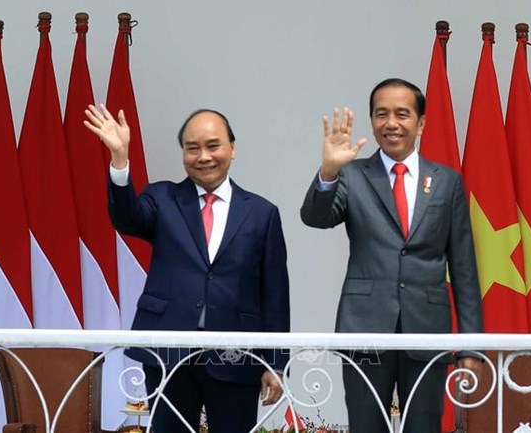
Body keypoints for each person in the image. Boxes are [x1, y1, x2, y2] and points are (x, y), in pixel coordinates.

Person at [84, 105, 290, 433]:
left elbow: (275, 294)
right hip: (169, 353)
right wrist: (120, 158)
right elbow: (127, 218)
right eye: (192, 148)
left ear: (232, 149)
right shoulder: (162, 197)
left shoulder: (262, 213)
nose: (203, 156)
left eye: (213, 145)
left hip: (236, 357)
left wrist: (276, 363)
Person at [300, 78, 483, 433]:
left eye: (402, 114)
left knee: (424, 427)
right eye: (381, 114)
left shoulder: (447, 182)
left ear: (421, 122)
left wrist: (471, 346)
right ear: (371, 120)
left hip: (427, 330)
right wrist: (329, 171)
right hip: (365, 327)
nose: (391, 123)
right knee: (366, 426)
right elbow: (316, 218)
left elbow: (463, 268)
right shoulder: (353, 175)